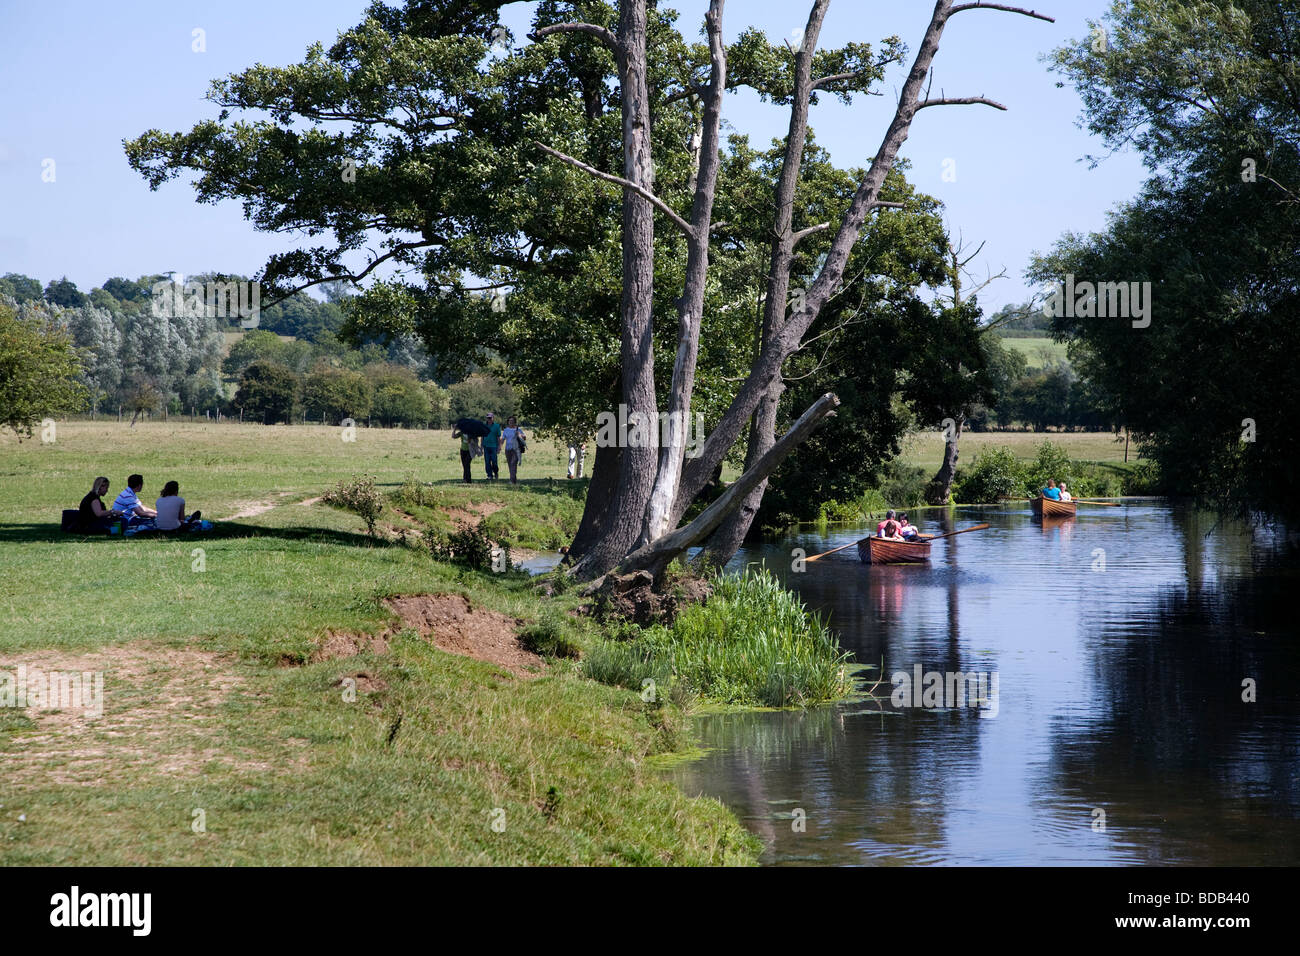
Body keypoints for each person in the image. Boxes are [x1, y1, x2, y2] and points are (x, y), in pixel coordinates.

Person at [502, 416, 526, 485]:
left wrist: (520, 434)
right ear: (508, 422)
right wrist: (499, 447)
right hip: (508, 449)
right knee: (510, 465)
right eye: (510, 421)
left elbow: (524, 438)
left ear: (515, 422)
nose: (511, 422)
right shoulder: (506, 430)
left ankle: (512, 481)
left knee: (513, 464)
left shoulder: (518, 430)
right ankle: (513, 479)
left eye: (512, 421)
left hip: (516, 449)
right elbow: (503, 439)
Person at [482, 413, 502, 480]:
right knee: (487, 462)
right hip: (486, 446)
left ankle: (496, 472)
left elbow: (498, 437)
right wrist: (481, 445)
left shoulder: (497, 426)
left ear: (493, 418)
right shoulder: (484, 426)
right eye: (488, 418)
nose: (489, 419)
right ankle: (489, 475)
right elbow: (482, 436)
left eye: (490, 418)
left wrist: (499, 446)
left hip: (494, 446)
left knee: (494, 461)